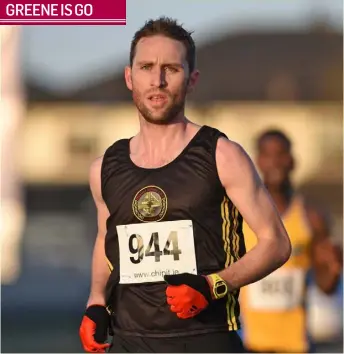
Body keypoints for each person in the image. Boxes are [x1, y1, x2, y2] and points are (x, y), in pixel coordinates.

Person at [79, 17, 291, 353]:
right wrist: (95, 300)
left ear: (191, 80)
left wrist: (212, 286)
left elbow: (276, 244)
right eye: (146, 67)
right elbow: (107, 240)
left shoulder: (222, 155)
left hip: (205, 340)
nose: (158, 80)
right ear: (129, 77)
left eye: (171, 69)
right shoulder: (104, 167)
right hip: (129, 343)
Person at [239, 129, 342, 353]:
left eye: (282, 154)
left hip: (297, 346)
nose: (275, 162)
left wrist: (333, 268)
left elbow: (327, 287)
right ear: (258, 161)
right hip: (250, 345)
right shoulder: (241, 217)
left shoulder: (311, 218)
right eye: (268, 154)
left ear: (293, 160)